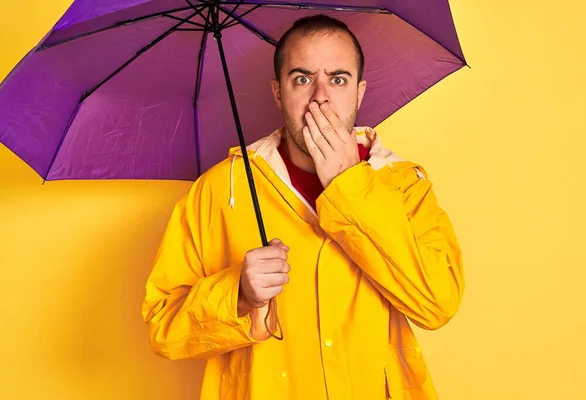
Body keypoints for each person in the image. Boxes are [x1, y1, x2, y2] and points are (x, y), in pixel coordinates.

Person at [142, 14, 465, 400]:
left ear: (360, 92)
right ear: (278, 92)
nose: (321, 96)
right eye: (302, 78)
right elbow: (163, 326)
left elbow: (437, 304)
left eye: (338, 79)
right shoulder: (219, 190)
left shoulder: (404, 184)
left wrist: (350, 188)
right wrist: (238, 294)